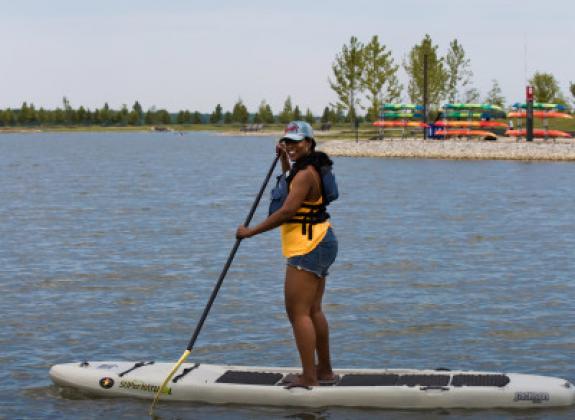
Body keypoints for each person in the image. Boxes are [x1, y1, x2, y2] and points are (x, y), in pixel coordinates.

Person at [236, 121, 338, 387]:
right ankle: (324, 371)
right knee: (313, 310)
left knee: (298, 312)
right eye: (288, 141)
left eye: (296, 142)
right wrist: (284, 159)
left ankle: (308, 377)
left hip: (308, 246)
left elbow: (286, 211)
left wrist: (250, 232)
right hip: (321, 240)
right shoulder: (308, 167)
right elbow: (292, 185)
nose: (291, 146)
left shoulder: (305, 174)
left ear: (309, 142)